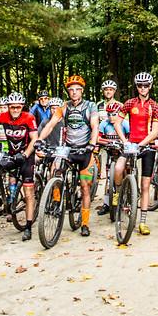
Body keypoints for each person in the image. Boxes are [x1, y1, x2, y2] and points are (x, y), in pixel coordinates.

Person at [39, 85, 98, 235]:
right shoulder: (64, 107)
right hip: (69, 149)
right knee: (56, 171)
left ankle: (85, 224)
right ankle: (56, 203)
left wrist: (92, 144)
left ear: (82, 91)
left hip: (85, 150)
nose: (74, 92)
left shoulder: (90, 106)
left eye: (77, 89)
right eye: (71, 90)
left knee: (85, 187)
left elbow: (95, 125)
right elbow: (51, 124)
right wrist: (39, 139)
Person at [117, 72, 158, 235]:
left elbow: (155, 131)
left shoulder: (155, 106)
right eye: (140, 86)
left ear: (150, 87)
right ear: (136, 87)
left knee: (145, 185)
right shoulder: (129, 103)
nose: (143, 88)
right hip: (131, 144)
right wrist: (125, 141)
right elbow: (117, 122)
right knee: (118, 168)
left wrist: (141, 144)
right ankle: (118, 193)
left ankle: (142, 222)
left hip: (147, 146)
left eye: (146, 85)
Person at [0, 94, 38, 241]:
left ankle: (28, 227)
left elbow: (35, 139)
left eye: (18, 106)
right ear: (8, 107)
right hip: (11, 154)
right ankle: (5, 202)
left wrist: (25, 155)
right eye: (12, 107)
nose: (15, 109)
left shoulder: (29, 117)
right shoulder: (3, 116)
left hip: (26, 155)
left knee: (28, 191)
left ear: (22, 106)